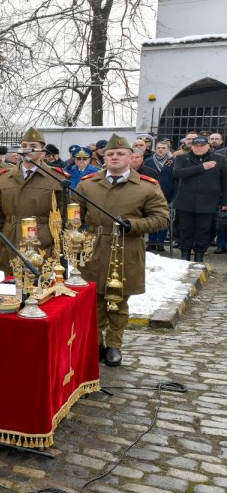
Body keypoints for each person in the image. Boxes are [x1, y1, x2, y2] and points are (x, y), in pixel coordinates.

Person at [75, 135, 170, 366]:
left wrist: (134, 224)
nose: (115, 157)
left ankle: (114, 345)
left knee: (118, 300)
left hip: (126, 248)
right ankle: (95, 343)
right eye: (110, 154)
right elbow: (75, 215)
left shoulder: (147, 186)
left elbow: (162, 218)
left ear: (131, 157)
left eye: (120, 154)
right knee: (94, 300)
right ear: (104, 158)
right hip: (94, 247)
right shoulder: (88, 184)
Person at [0, 128, 66, 280]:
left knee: (41, 292)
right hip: (10, 241)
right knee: (13, 292)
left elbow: (63, 215)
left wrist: (59, 246)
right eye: (24, 145)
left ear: (43, 152)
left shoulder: (56, 179)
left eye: (33, 146)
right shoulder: (3, 178)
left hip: (43, 242)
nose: (28, 149)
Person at [171, 135, 227, 262]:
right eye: (196, 146)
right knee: (185, 231)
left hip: (209, 202)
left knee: (203, 231)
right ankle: (184, 256)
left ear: (208, 146)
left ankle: (199, 257)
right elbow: (177, 173)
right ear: (192, 146)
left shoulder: (220, 159)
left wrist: (225, 202)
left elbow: (225, 182)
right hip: (186, 202)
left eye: (202, 145)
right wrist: (202, 167)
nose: (199, 148)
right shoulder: (182, 157)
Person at [142, 140, 176, 251]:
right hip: (151, 194)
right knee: (151, 217)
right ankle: (152, 241)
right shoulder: (149, 161)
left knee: (164, 217)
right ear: (155, 149)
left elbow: (176, 179)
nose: (161, 150)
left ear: (168, 150)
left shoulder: (174, 161)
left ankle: (160, 242)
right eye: (158, 148)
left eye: (163, 148)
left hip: (168, 194)